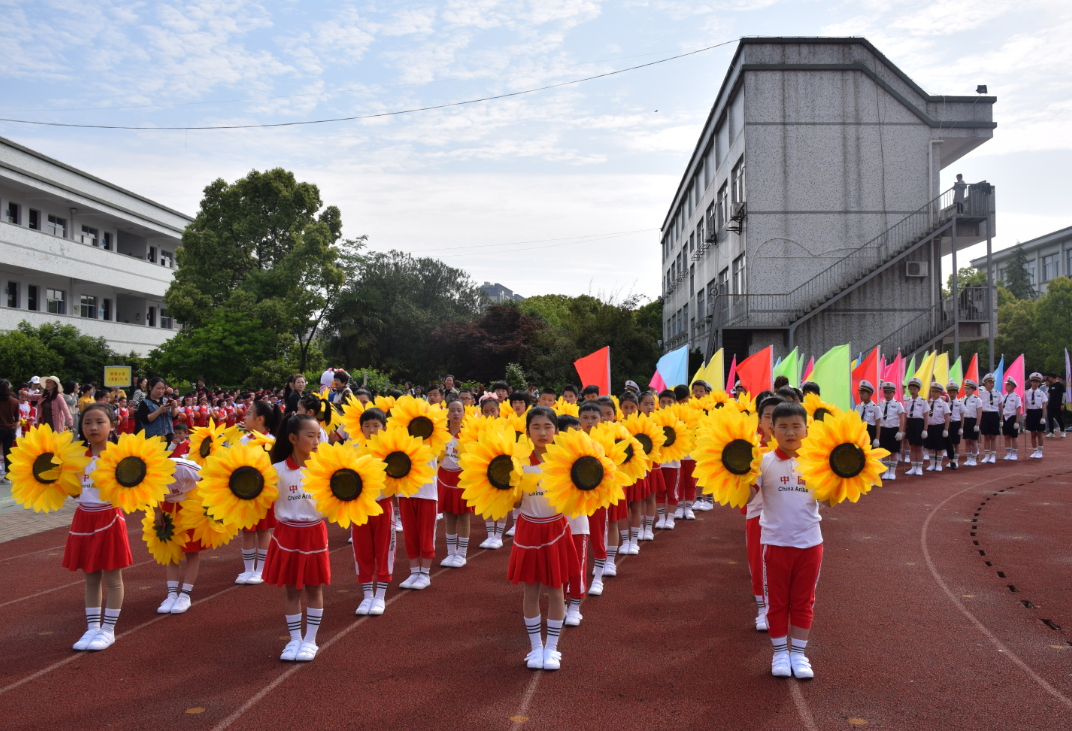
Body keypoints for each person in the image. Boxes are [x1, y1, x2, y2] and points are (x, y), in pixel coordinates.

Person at [748, 401, 824, 679]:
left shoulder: (817, 461)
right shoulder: (764, 461)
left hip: (810, 543)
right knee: (777, 602)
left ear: (807, 429)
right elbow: (745, 498)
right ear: (771, 431)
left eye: (796, 426)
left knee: (804, 601)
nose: (790, 432)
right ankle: (780, 652)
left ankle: (799, 654)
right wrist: (739, 471)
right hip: (775, 544)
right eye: (783, 427)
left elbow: (829, 499)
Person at [509, 406, 576, 671]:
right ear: (527, 432)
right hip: (528, 530)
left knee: (557, 589)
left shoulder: (567, 461)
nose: (542, 432)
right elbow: (513, 503)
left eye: (548, 427)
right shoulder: (518, 461)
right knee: (531, 589)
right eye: (536, 427)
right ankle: (536, 647)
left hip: (555, 529)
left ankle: (553, 648)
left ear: (556, 431)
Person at [66, 403, 131, 652]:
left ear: (113, 425)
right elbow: (74, 493)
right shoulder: (75, 459)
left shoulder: (120, 458)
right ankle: (92, 627)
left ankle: (108, 629)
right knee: (90, 577)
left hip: (109, 518)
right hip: (83, 520)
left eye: (100, 422)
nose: (93, 427)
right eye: (87, 423)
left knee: (113, 577)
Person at [264, 413, 329, 662]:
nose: (316, 441)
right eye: (310, 436)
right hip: (286, 534)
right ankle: (294, 639)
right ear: (292, 438)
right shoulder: (276, 471)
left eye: (318, 436)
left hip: (313, 532)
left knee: (314, 587)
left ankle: (310, 640)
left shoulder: (325, 470)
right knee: (291, 590)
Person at [353, 408, 396, 616]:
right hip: (359, 508)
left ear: (384, 427)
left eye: (375, 425)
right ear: (361, 429)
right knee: (362, 551)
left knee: (384, 549)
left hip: (382, 505)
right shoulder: (353, 448)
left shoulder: (390, 449)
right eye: (367, 426)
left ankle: (380, 595)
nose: (371, 430)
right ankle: (367, 594)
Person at [749, 395, 784, 631]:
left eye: (777, 417)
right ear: (759, 421)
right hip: (757, 513)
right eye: (767, 417)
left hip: (787, 516)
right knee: (758, 560)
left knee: (782, 564)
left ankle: (780, 608)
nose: (772, 422)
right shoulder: (750, 447)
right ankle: (763, 609)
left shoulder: (799, 449)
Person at [154, 457, 203, 615]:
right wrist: (157, 511)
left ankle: (185, 595)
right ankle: (171, 594)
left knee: (191, 550)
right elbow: (147, 491)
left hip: (189, 504)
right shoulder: (146, 472)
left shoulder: (182, 467)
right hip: (168, 506)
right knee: (171, 551)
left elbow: (209, 479)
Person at [397, 415, 440, 592]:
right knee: (410, 533)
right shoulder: (401, 441)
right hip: (405, 492)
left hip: (427, 494)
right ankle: (414, 571)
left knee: (425, 534)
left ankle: (425, 573)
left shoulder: (434, 441)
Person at [438, 399, 472, 569]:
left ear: (464, 413)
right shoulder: (439, 433)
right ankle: (451, 552)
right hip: (444, 478)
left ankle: (462, 554)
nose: (456, 413)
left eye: (459, 410)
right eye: (452, 410)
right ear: (447, 413)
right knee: (448, 516)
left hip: (462, 479)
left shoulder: (469, 434)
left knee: (464, 516)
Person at [875, 382, 904, 480]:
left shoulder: (898, 404)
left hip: (893, 430)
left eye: (889, 392)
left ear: (893, 393)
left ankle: (892, 472)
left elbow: (902, 418)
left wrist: (901, 431)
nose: (887, 395)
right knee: (885, 452)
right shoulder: (880, 404)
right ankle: (886, 471)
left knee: (893, 452)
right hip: (883, 430)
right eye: (885, 392)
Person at [137, 377, 177, 445]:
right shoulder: (145, 403)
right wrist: (159, 411)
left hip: (169, 435)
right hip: (154, 437)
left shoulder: (166, 401)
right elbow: (145, 420)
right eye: (158, 388)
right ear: (150, 388)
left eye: (162, 388)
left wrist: (173, 408)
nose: (161, 391)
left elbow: (174, 417)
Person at [923, 382, 951, 472]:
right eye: (932, 391)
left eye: (935, 391)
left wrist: (946, 429)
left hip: (939, 426)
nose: (933, 393)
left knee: (939, 447)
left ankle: (938, 464)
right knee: (930, 446)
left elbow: (947, 417)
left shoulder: (943, 404)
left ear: (940, 393)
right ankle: (931, 464)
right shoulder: (928, 403)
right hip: (930, 427)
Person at [902, 378, 926, 475]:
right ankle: (913, 467)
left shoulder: (923, 401)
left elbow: (926, 416)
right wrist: (904, 429)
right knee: (912, 447)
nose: (912, 391)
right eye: (910, 389)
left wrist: (925, 429)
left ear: (918, 389)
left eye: (914, 389)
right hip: (910, 424)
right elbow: (905, 416)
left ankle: (919, 467)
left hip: (919, 423)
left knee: (919, 447)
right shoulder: (908, 402)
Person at [978, 374, 1002, 463]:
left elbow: (1000, 407)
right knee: (986, 436)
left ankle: (993, 456)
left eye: (993, 383)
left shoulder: (997, 393)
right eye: (990, 383)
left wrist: (1001, 419)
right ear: (985, 383)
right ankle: (987, 456)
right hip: (985, 415)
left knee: (993, 436)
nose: (992, 384)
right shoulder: (981, 394)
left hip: (994, 415)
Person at [0, 380, 19, 482]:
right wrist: (15, 431)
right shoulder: (14, 401)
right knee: (8, 452)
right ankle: (8, 475)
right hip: (10, 429)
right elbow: (17, 418)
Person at [961, 379, 982, 466]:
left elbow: (979, 413)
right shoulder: (962, 399)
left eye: (968, 389)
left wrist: (977, 424)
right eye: (965, 388)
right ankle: (968, 458)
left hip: (973, 421)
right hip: (965, 421)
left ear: (973, 389)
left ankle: (973, 459)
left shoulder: (977, 400)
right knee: (967, 441)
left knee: (973, 441)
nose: (966, 390)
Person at [1024, 373, 1046, 458]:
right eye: (1033, 381)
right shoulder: (1027, 392)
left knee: (1039, 433)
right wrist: (1025, 413)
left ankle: (1040, 451)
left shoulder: (1041, 393)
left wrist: (1043, 417)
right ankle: (1035, 451)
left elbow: (1044, 405)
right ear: (1031, 382)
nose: (1035, 383)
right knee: (1033, 433)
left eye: (1037, 382)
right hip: (1030, 412)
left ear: (1039, 383)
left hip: (1038, 412)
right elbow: (1025, 403)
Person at [1001, 377, 1022, 460]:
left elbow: (1018, 409)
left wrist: (1017, 422)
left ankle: (1014, 454)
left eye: (1008, 385)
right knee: (1006, 436)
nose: (1006, 386)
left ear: (1013, 386)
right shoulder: (1004, 396)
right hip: (1005, 417)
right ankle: (1008, 453)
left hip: (1012, 417)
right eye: (1006, 384)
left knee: (1014, 437)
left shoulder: (1017, 397)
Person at [945, 382, 964, 470]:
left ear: (957, 393)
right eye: (950, 392)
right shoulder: (945, 403)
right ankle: (951, 460)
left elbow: (962, 416)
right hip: (948, 424)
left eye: (954, 392)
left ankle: (955, 460)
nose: (952, 394)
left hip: (956, 423)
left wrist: (961, 427)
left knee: (956, 443)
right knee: (949, 443)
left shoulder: (960, 402)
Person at [1044, 373, 1065, 438]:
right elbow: (1049, 394)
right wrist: (1047, 403)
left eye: (1049, 377)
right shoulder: (1051, 385)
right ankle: (1051, 432)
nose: (1049, 379)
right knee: (1050, 417)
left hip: (1058, 404)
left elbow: (1064, 394)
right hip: (1051, 404)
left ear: (1052, 377)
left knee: (1059, 418)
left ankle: (1062, 431)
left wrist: (1062, 403)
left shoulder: (1060, 384)